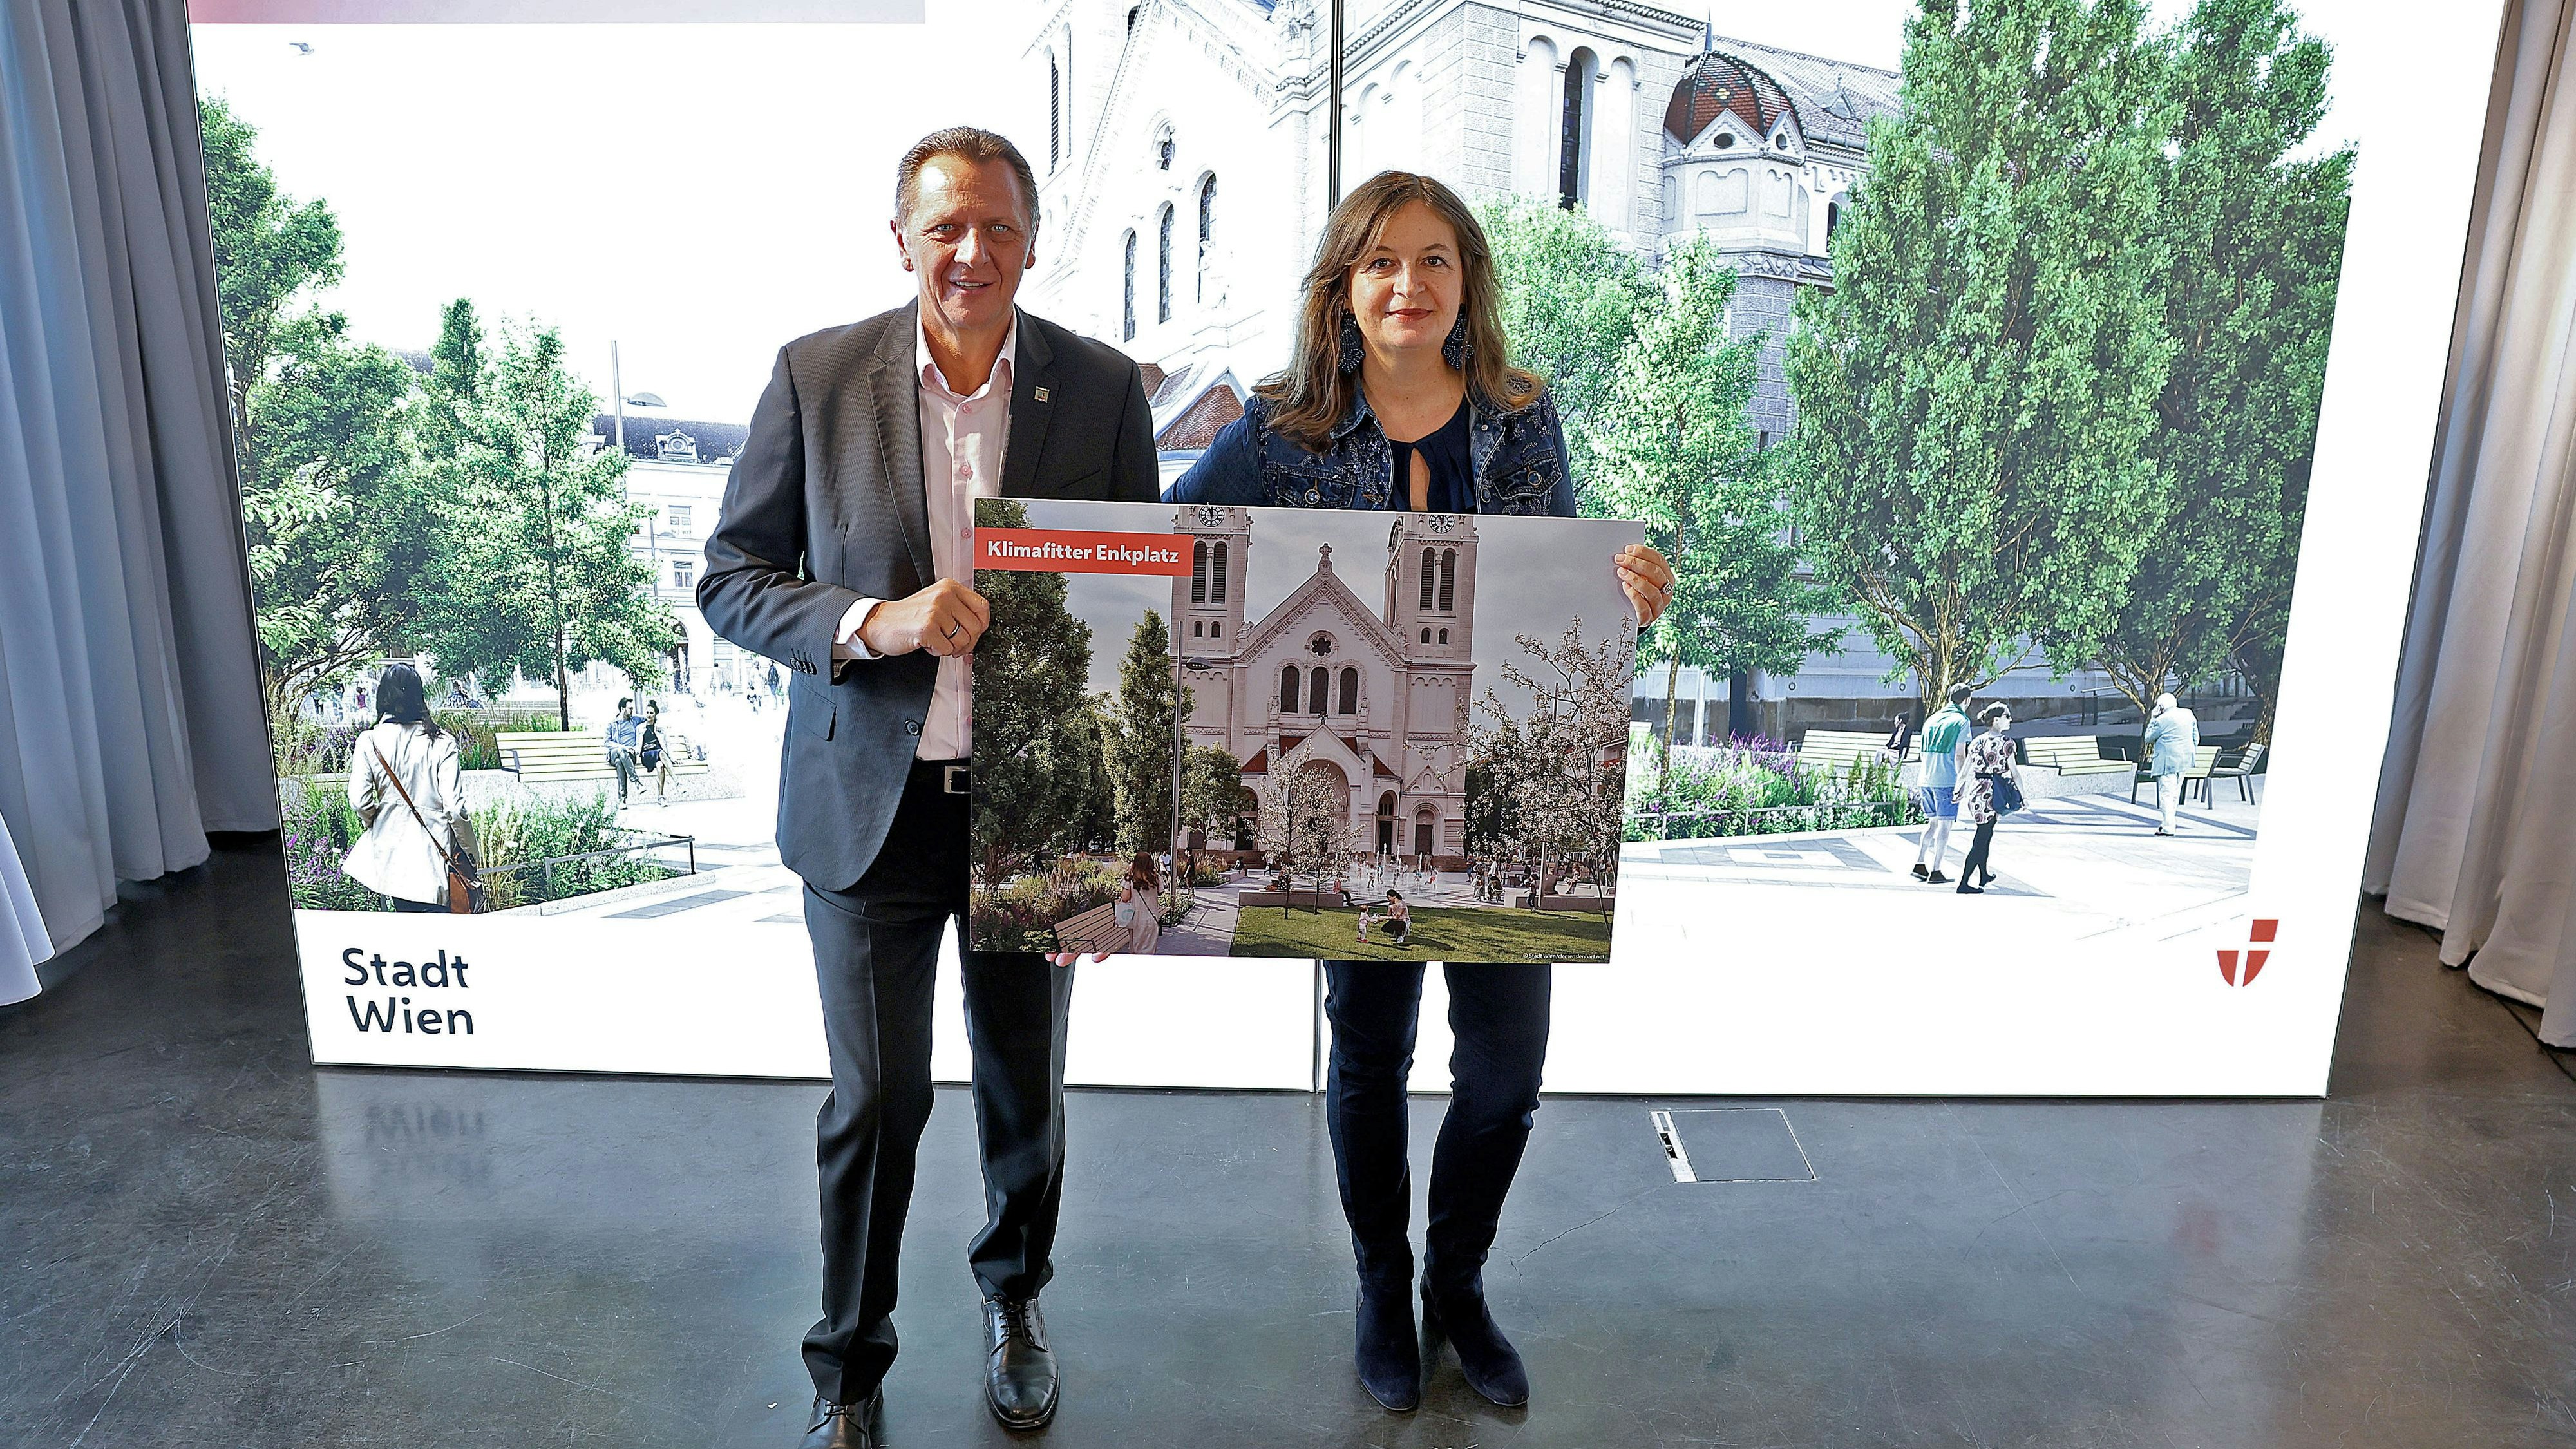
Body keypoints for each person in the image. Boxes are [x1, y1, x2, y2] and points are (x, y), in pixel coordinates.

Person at [1169, 170, 1676, 1414]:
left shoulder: (1521, 423)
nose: (1409, 283)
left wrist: (1631, 597)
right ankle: (1379, 1279)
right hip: (1332, 820)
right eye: (1382, 260)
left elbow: (1564, 595)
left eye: (1435, 259)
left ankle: (1456, 1280)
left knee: (1505, 1074)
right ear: (1344, 285)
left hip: (1487, 778)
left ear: (1466, 282)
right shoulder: (1274, 436)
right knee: (1370, 1059)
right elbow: (1157, 549)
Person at [695, 126, 1159, 1449]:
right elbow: (730, 580)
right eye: (945, 225)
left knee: (1025, 1092)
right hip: (867, 811)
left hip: (1035, 811)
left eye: (998, 226)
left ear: (1032, 241)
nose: (971, 251)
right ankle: (849, 1367)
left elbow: (1143, 611)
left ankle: (1015, 1300)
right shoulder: (817, 376)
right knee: (877, 1103)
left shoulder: (1103, 388)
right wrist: (872, 623)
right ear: (900, 238)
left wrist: (1126, 842)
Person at [345, 664, 469, 913]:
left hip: (393, 861)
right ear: (418, 696)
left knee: (408, 932)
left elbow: (359, 801)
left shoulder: (369, 741)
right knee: (443, 933)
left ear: (383, 698)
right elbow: (454, 809)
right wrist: (469, 852)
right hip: (436, 860)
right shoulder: (442, 741)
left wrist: (377, 822)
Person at [1953, 703, 2018, 895]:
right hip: (1993, 795)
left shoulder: (1977, 742)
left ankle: (1983, 875)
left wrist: (1957, 791)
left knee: (1986, 833)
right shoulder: (2007, 743)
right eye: (2007, 716)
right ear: (1996, 720)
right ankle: (1964, 883)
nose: (2011, 719)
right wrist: (2023, 797)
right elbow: (2015, 773)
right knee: (1981, 840)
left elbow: (1964, 772)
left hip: (1976, 794)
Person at [1913, 685, 1972, 884]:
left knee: (1932, 824)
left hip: (1925, 779)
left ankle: (1919, 864)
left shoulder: (1931, 720)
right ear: (1967, 700)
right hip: (1946, 780)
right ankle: (1936, 870)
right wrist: (1961, 783)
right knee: (1945, 827)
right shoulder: (1962, 721)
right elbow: (1960, 755)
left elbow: (1922, 753)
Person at [2143, 692, 2201, 836]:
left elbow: (2148, 738)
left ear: (2161, 706)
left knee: (2166, 795)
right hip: (2184, 760)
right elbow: (2196, 738)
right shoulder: (2188, 714)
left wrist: (2153, 718)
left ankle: (2169, 826)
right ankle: (2167, 823)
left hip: (2167, 762)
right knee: (2175, 794)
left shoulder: (2161, 720)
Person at [1117, 851, 1160, 954]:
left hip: (1136, 918)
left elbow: (1125, 898)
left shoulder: (1130, 879)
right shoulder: (1156, 878)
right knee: (1150, 949)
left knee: (1136, 950)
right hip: (1153, 917)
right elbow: (1160, 892)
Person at [639, 700, 674, 806]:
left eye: (651, 713)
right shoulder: (640, 727)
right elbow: (637, 743)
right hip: (647, 755)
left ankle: (661, 796)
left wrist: (672, 757)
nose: (649, 715)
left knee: (660, 766)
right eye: (647, 713)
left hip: (659, 755)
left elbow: (667, 743)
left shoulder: (659, 727)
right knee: (662, 753)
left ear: (655, 715)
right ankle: (677, 781)